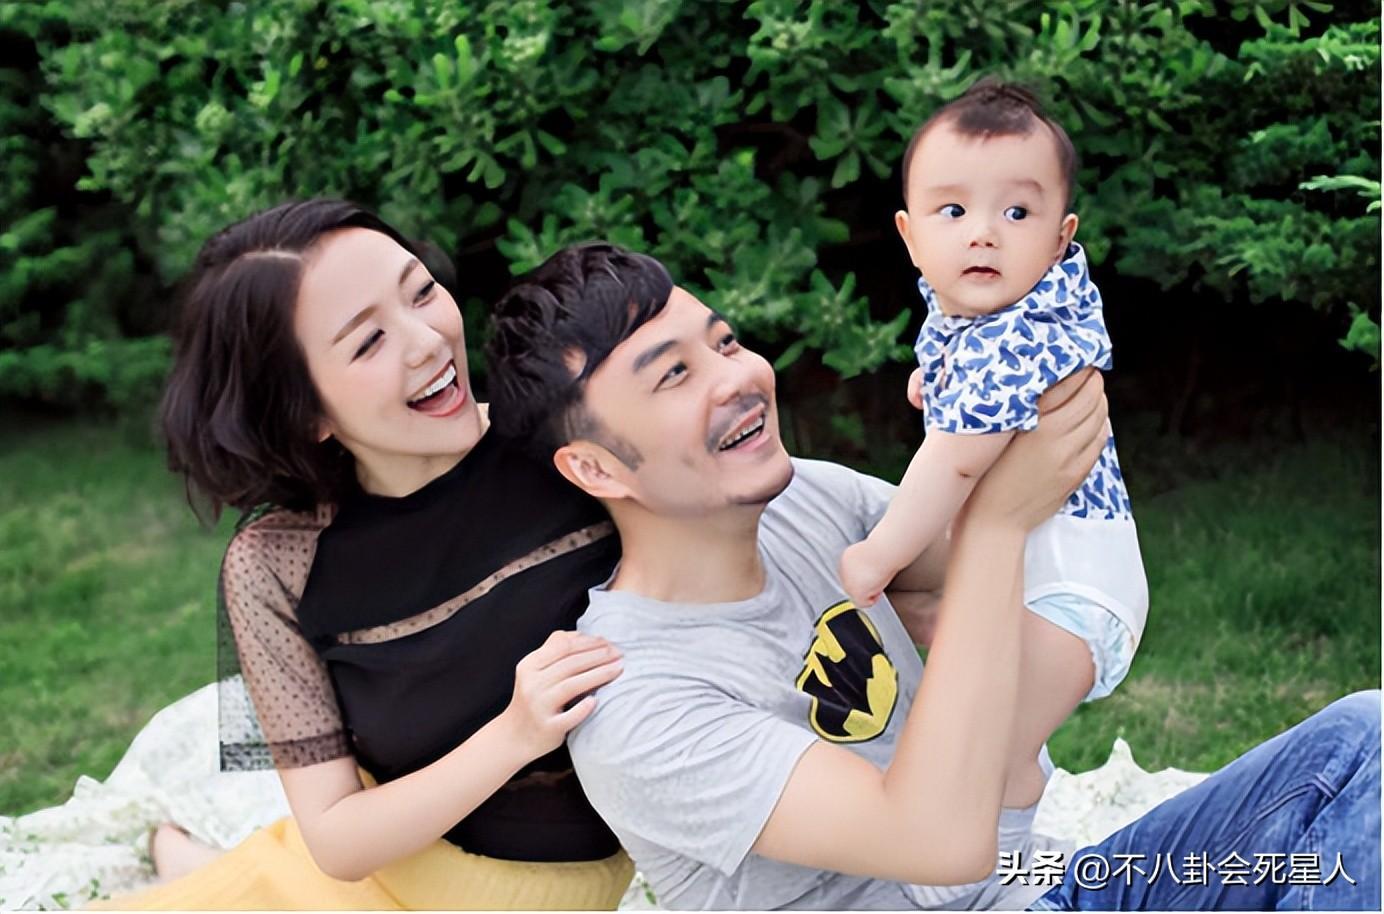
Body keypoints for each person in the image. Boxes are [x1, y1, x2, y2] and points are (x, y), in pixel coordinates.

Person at [483, 241, 1381, 910]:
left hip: (1043, 890)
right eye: (675, 375)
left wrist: (977, 424)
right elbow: (939, 844)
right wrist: (993, 528)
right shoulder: (638, 703)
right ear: (595, 468)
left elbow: (1005, 540)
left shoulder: (804, 501)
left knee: (1361, 742)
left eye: (725, 343)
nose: (737, 378)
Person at [91, 200, 633, 910]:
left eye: (421, 292)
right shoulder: (276, 565)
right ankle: (189, 860)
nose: (427, 342)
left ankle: (191, 859)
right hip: (393, 885)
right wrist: (514, 735)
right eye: (368, 341)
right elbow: (338, 839)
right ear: (305, 410)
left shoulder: (566, 439)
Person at [838, 79, 1148, 802]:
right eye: (953, 211)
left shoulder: (1015, 332)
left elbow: (955, 463)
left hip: (1072, 592)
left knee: (990, 762)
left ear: (1060, 237)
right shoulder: (981, 311)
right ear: (910, 235)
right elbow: (970, 393)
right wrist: (936, 384)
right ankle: (936, 627)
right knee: (975, 735)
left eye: (1016, 212)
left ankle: (1017, 855)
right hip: (1034, 566)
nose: (983, 233)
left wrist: (877, 556)